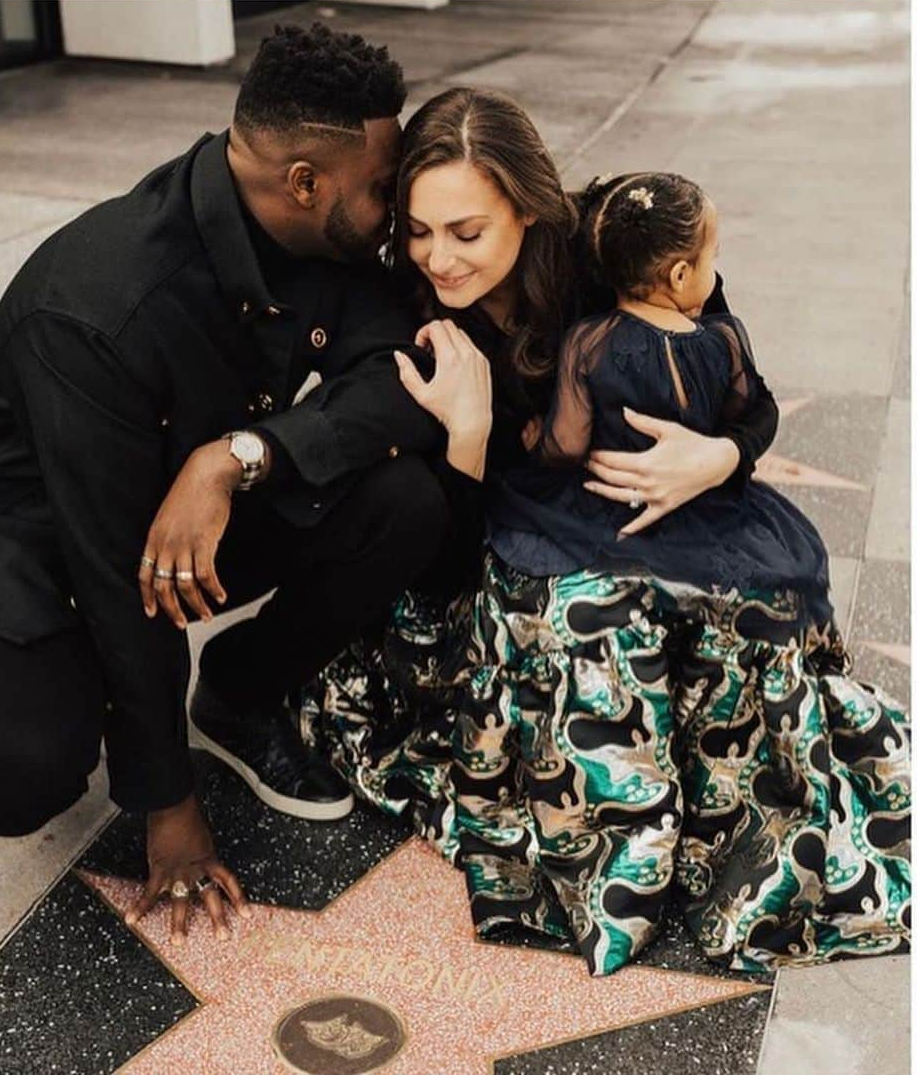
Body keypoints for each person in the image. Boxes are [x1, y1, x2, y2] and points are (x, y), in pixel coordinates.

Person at [303, 88, 910, 975]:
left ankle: (745, 836)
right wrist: (467, 440)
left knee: (759, 610)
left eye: (467, 232)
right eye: (420, 231)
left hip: (676, 504)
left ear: (528, 205)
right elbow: (435, 539)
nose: (439, 257)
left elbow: (750, 391)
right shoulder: (409, 311)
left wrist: (719, 457)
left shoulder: (616, 240)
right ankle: (624, 857)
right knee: (590, 631)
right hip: (511, 532)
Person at [0, 24, 452, 943]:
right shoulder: (102, 304)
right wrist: (166, 801)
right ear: (306, 182)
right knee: (20, 772)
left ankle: (237, 693)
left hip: (189, 507)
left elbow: (398, 382)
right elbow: (108, 560)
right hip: (21, 537)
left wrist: (238, 456)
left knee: (404, 502)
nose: (396, 209)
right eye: (384, 188)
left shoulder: (326, 239)